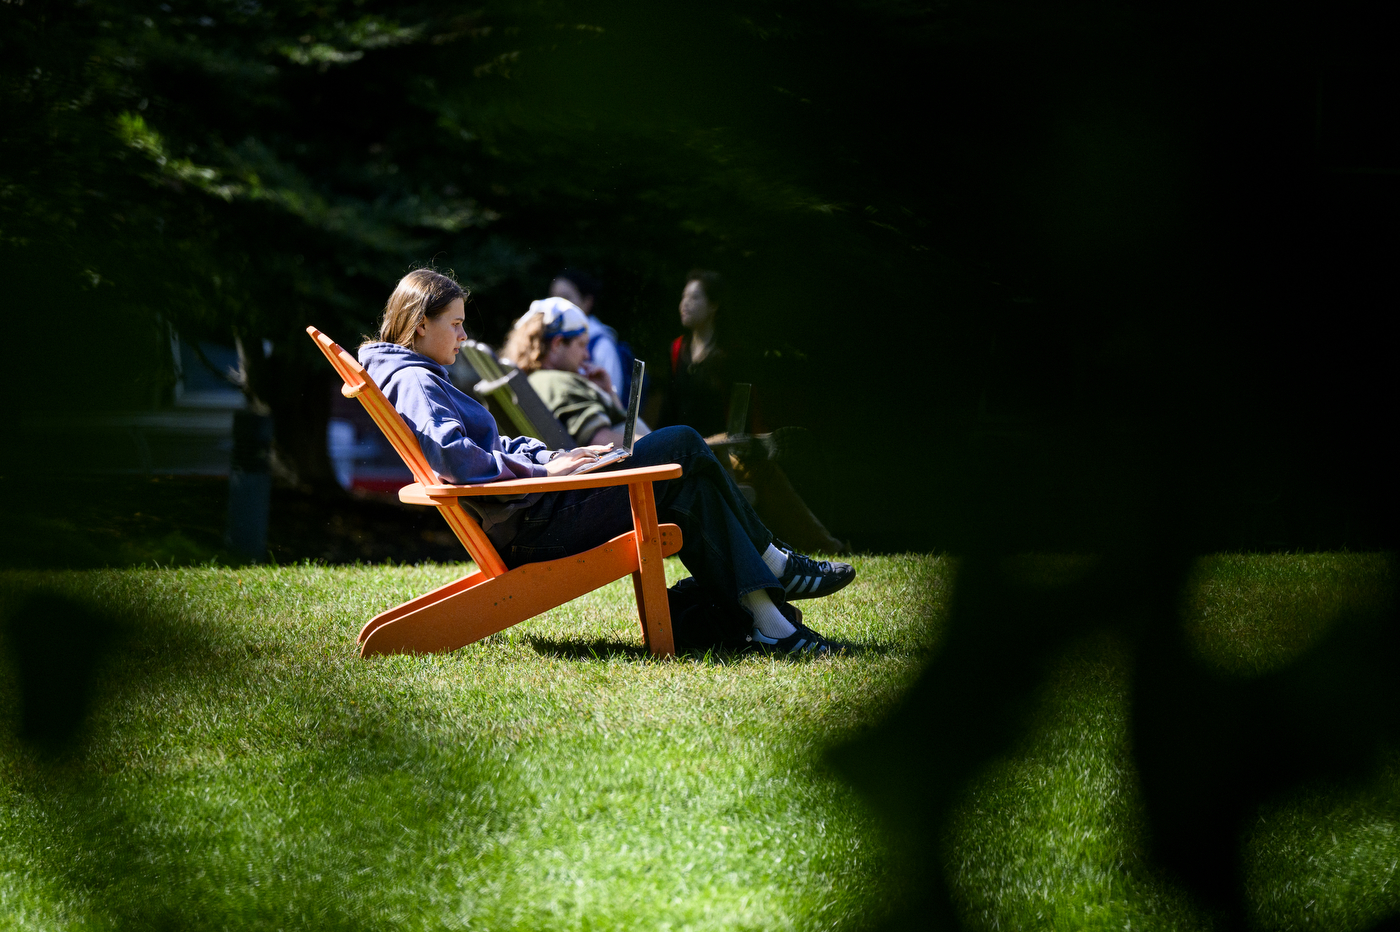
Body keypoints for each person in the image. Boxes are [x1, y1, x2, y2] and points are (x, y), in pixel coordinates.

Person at [358, 268, 856, 655]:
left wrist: (559, 456)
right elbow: (456, 461)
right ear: (422, 323)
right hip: (536, 525)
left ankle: (772, 622)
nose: (463, 336)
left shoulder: (412, 371)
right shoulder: (415, 379)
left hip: (534, 512)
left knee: (688, 484)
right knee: (681, 442)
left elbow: (486, 452)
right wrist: (543, 472)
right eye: (457, 324)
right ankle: (775, 567)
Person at [500, 296, 648, 448]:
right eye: (581, 344)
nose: (586, 355)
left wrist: (608, 392)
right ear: (557, 344)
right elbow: (601, 442)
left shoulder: (535, 380)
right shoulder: (558, 383)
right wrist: (655, 442)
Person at [660, 269, 738, 437]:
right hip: (679, 448)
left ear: (713, 305)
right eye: (683, 297)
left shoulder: (728, 354)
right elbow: (668, 407)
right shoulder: (677, 348)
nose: (684, 304)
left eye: (694, 297)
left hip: (718, 451)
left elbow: (738, 415)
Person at [549, 269, 630, 400]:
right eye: (553, 298)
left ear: (587, 302)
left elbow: (614, 404)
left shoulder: (602, 345)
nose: (557, 306)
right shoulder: (550, 338)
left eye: (565, 298)